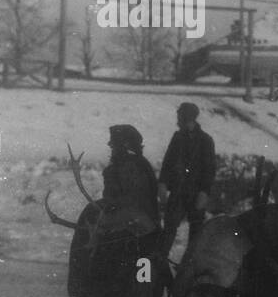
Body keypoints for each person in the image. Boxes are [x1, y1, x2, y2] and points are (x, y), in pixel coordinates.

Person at [88, 124, 160, 253]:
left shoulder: (129, 166)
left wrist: (110, 207)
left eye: (114, 145)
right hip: (143, 219)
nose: (111, 148)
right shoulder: (138, 163)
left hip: (138, 219)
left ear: (124, 145)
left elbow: (133, 199)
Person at [160, 101, 216, 254]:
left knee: (195, 236)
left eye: (179, 117)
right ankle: (159, 266)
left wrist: (204, 192)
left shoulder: (206, 141)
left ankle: (189, 271)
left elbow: (209, 170)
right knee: (168, 230)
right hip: (178, 192)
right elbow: (167, 163)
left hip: (196, 194)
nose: (177, 121)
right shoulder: (177, 138)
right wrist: (163, 184)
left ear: (188, 119)